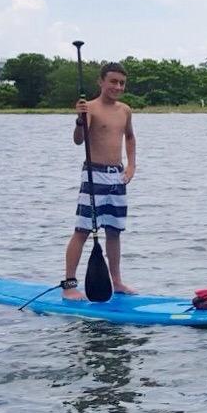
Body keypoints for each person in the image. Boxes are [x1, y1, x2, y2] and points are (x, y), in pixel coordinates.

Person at [62, 62, 137, 300]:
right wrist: (79, 119)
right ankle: (69, 286)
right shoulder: (90, 108)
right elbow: (78, 140)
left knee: (114, 231)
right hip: (94, 175)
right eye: (113, 81)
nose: (117, 86)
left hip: (117, 176)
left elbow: (130, 137)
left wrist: (131, 166)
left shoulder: (125, 110)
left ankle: (116, 281)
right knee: (82, 230)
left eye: (121, 83)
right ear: (101, 82)